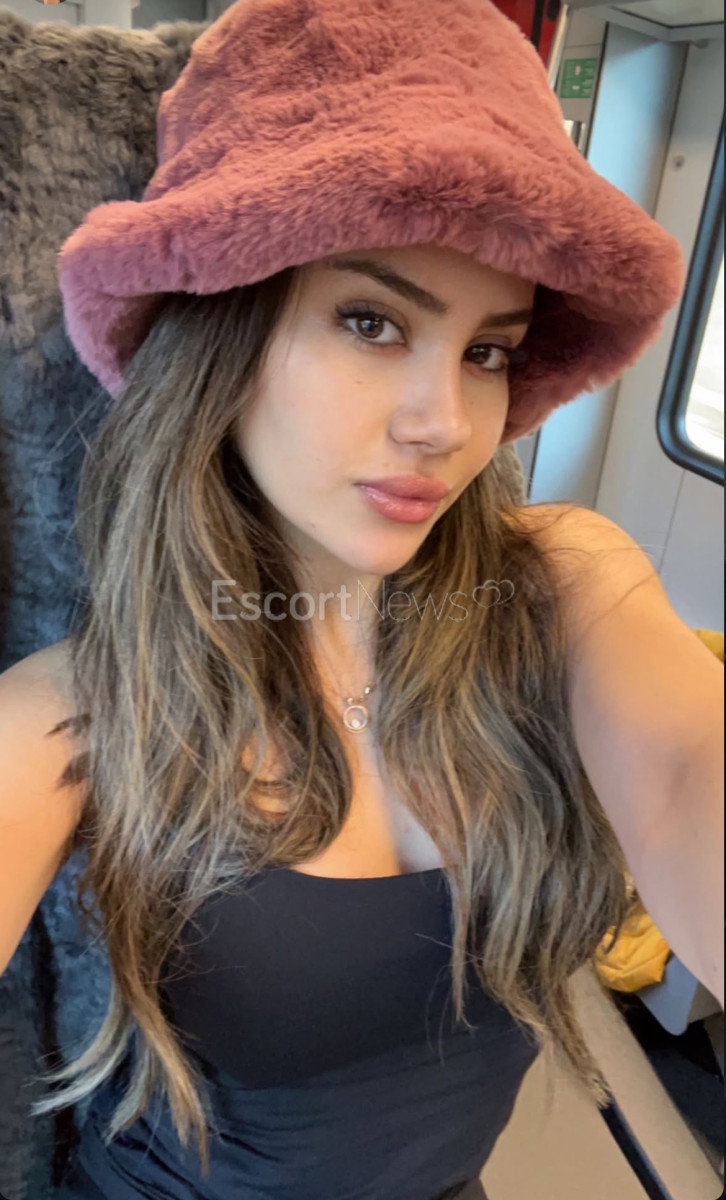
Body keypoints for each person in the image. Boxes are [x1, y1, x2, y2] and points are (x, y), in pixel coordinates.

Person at [2, 1, 720, 1198]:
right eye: (372, 321)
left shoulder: (559, 587)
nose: (446, 423)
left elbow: (693, 770)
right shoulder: (79, 707)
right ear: (222, 332)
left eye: (487, 350)